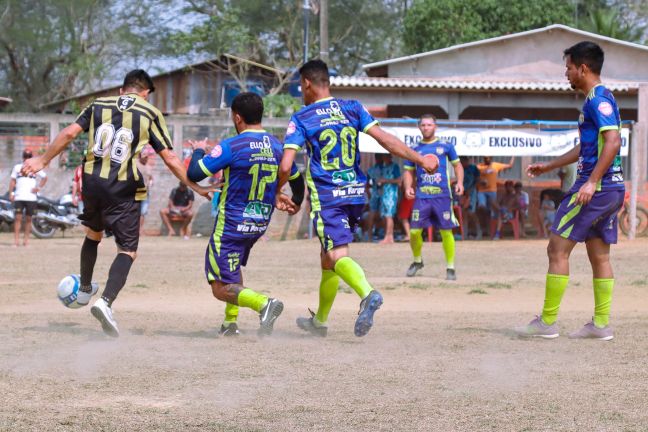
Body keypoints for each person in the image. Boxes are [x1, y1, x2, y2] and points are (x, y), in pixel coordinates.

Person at [21, 69, 213, 337]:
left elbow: (68, 133)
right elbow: (169, 157)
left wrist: (43, 160)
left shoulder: (97, 104)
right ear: (145, 93)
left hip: (91, 182)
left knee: (93, 234)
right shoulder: (149, 112)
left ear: (123, 89)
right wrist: (195, 186)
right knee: (128, 250)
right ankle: (106, 301)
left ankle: (86, 288)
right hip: (122, 187)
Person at [277, 59, 438, 338]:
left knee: (336, 254)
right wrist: (420, 159)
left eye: (300, 86)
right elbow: (385, 139)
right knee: (328, 258)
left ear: (306, 83)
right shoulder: (352, 107)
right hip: (354, 193)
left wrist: (278, 191)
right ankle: (321, 322)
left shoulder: (302, 118)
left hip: (328, 196)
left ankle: (367, 294)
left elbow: (286, 166)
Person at [516, 41, 624, 340]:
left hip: (595, 188)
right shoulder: (598, 99)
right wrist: (549, 166)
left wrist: (590, 182)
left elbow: (613, 142)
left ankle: (547, 323)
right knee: (599, 256)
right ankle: (600, 326)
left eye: (568, 67)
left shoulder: (598, 99)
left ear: (583, 68)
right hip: (610, 188)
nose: (566, 73)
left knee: (556, 249)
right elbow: (588, 147)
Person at [186, 92, 304, 337]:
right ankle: (230, 323)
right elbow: (297, 179)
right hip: (258, 223)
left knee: (219, 286)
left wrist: (198, 151)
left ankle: (263, 304)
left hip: (232, 224)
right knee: (232, 268)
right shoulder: (276, 146)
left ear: (237, 117)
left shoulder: (232, 145)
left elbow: (195, 174)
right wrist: (296, 202)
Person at [404, 114, 464, 280]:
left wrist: (459, 182)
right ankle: (417, 261)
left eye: (429, 125)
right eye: (423, 125)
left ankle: (450, 267)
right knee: (415, 232)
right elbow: (408, 171)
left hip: (443, 196)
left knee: (446, 231)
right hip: (422, 196)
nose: (426, 128)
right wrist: (408, 186)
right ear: (419, 127)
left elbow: (458, 165)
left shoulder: (445, 146)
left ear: (435, 126)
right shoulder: (414, 148)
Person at [9, 149, 47, 247]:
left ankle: (26, 241)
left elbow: (45, 177)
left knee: (29, 219)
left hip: (31, 198)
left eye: (29, 157)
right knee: (17, 218)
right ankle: (16, 241)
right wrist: (11, 193)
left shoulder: (35, 167)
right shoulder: (17, 167)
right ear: (23, 157)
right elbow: (12, 181)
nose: (27, 158)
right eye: (25, 156)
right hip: (19, 196)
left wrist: (38, 188)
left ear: (31, 158)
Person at [476, 155, 514, 237]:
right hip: (482, 191)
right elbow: (475, 177)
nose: (487, 159)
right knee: (481, 206)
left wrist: (514, 155)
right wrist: (481, 181)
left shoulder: (496, 165)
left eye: (489, 158)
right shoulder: (479, 167)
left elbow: (510, 165)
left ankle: (491, 232)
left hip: (492, 191)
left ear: (491, 158)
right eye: (485, 158)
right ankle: (486, 218)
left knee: (493, 212)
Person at [377, 153, 401, 244]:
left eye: (385, 156)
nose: (384, 158)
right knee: (384, 215)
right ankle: (387, 235)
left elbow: (399, 181)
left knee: (389, 215)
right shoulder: (383, 167)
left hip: (391, 194)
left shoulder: (395, 167)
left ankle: (389, 236)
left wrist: (385, 181)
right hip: (384, 194)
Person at [460, 156, 480, 239]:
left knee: (471, 212)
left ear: (466, 161)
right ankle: (465, 233)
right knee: (464, 212)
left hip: (472, 192)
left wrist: (471, 189)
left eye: (462, 161)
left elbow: (477, 180)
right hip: (463, 193)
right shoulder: (459, 169)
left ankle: (479, 230)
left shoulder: (473, 168)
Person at [365, 154, 383, 241]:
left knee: (372, 214)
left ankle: (371, 235)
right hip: (383, 193)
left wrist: (369, 196)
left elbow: (367, 186)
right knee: (383, 214)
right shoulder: (386, 168)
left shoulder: (370, 170)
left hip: (374, 193)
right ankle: (376, 233)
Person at [136, 150, 154, 234]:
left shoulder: (149, 167)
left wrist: (151, 183)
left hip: (145, 192)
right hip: (134, 192)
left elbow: (151, 178)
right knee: (133, 211)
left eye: (147, 157)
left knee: (143, 211)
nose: (146, 158)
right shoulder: (135, 164)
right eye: (144, 156)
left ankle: (140, 230)